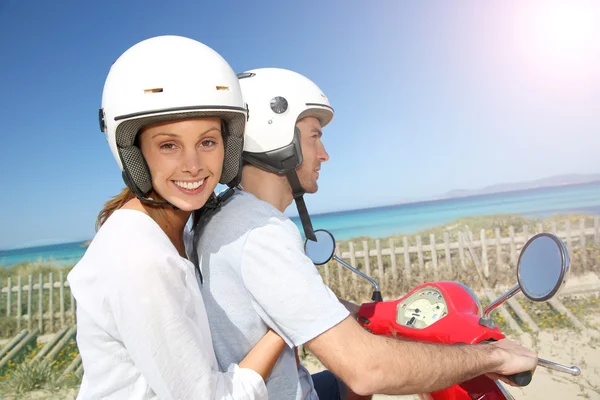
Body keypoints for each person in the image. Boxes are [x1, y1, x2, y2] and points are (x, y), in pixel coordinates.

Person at [190, 68, 538, 399]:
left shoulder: (226, 215)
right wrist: (494, 356)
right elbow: (367, 369)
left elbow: (284, 300)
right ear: (275, 136)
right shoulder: (261, 233)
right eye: (314, 137)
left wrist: (360, 312)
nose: (324, 155)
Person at [67, 36, 286, 400]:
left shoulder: (172, 231)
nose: (194, 165)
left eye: (208, 141)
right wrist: (284, 326)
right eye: (169, 145)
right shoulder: (141, 260)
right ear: (135, 153)